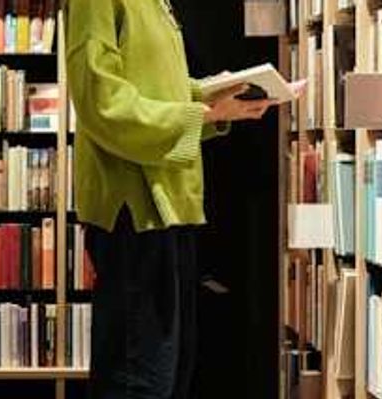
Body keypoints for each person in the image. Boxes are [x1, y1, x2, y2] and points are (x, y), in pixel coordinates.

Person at [66, 0, 302, 397]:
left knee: (170, 374)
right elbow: (102, 104)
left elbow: (165, 91)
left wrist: (223, 96)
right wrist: (205, 113)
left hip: (171, 204)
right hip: (135, 209)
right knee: (138, 379)